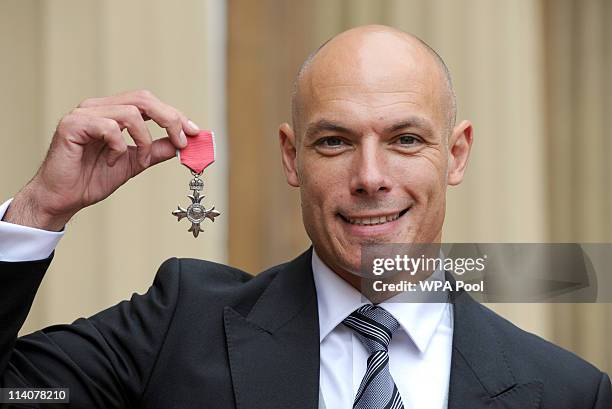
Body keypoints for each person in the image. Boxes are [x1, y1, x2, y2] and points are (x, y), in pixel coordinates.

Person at [0, 25, 609, 409]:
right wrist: (38, 211)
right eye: (335, 142)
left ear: (455, 154)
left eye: (404, 139)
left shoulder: (569, 392)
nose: (371, 176)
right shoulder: (178, 326)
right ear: (292, 157)